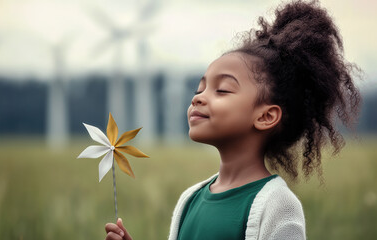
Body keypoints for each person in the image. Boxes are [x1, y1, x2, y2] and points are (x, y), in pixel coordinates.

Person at [104, 0, 361, 239]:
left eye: (223, 90)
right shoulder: (189, 200)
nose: (198, 98)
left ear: (266, 116)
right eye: (199, 89)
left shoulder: (278, 206)